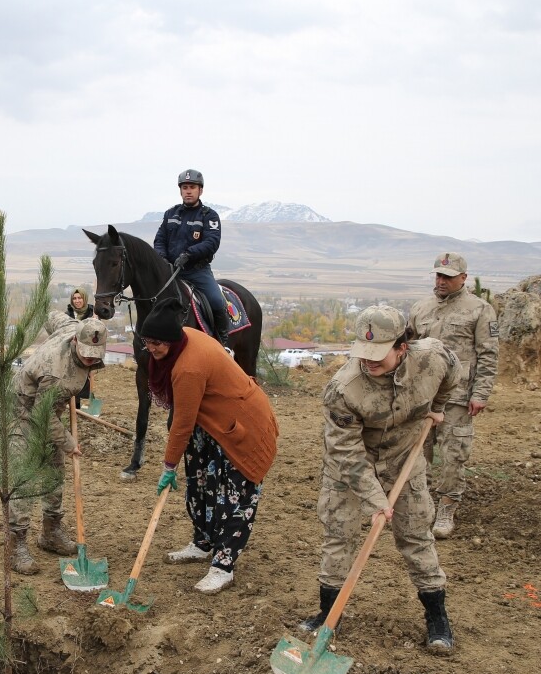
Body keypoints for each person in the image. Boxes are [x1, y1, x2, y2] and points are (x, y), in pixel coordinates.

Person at [300, 304, 460, 653]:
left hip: (406, 457)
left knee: (416, 535)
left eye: (379, 353)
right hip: (352, 467)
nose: (369, 360)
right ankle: (329, 615)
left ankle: (437, 618)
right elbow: (346, 453)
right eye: (364, 351)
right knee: (338, 535)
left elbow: (452, 374)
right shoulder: (344, 389)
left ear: (403, 346)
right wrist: (376, 500)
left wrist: (439, 406)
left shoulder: (432, 358)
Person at [139, 298, 279, 594]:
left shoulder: (188, 368)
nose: (152, 349)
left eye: (157, 344)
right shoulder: (185, 339)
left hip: (242, 427)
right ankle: (202, 544)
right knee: (200, 483)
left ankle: (222, 567)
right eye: (147, 342)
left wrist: (168, 466)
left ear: (172, 341)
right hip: (213, 423)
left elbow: (182, 423)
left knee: (234, 500)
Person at [5, 312, 107, 574]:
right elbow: (44, 416)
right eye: (85, 353)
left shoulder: (73, 325)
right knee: (24, 478)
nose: (90, 358)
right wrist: (69, 442)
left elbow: (50, 316)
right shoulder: (56, 373)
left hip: (48, 408)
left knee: (54, 473)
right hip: (22, 413)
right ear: (74, 341)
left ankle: (51, 533)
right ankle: (16, 546)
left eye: (94, 354)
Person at [407, 253, 499, 539]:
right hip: (422, 395)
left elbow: (488, 355)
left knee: (453, 455)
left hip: (457, 397)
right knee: (416, 453)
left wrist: (481, 394)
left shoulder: (480, 310)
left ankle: (447, 507)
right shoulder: (421, 308)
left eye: (447, 276)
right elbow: (406, 348)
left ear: (463, 278)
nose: (441, 281)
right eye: (438, 275)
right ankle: (417, 506)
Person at [153, 169, 231, 354]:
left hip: (197, 271)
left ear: (200, 191)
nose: (188, 191)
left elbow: (212, 242)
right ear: (180, 191)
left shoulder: (209, 216)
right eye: (185, 187)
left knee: (216, 301)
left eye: (192, 187)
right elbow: (160, 240)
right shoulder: (170, 214)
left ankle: (222, 343)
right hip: (171, 272)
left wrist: (189, 254)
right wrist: (162, 258)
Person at [65, 289, 96, 405]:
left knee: (84, 379)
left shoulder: (93, 313)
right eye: (74, 298)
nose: (77, 301)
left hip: (87, 352)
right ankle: (73, 405)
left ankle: (84, 404)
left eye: (79, 298)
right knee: (71, 379)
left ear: (84, 299)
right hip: (71, 351)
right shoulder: (68, 314)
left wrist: (95, 321)